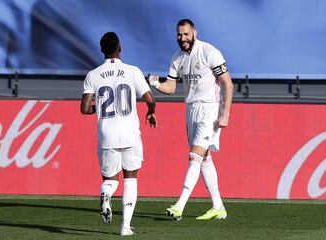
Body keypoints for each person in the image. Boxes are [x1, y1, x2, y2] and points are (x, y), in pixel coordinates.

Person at [149, 19, 233, 221]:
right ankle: (218, 207)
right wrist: (155, 84)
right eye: (179, 34)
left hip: (209, 109)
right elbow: (170, 88)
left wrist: (226, 113)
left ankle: (179, 205)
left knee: (194, 157)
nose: (182, 38)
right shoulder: (177, 58)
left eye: (186, 34)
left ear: (194, 33)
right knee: (204, 159)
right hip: (191, 110)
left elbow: (227, 83)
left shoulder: (209, 52)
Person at [81, 32, 157, 236]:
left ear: (101, 50)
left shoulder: (93, 75)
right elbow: (150, 99)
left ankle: (106, 194)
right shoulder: (132, 71)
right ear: (120, 48)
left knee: (110, 179)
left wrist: (102, 108)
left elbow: (84, 108)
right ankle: (125, 227)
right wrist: (151, 112)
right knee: (131, 179)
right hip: (130, 133)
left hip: (107, 134)